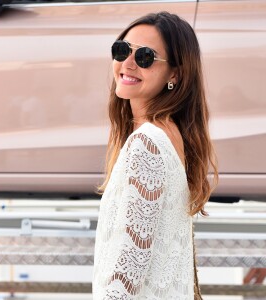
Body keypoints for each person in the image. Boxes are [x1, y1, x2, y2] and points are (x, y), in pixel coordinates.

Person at [92, 11, 218, 300]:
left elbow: (128, 270)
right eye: (121, 50)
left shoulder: (146, 144)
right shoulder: (169, 134)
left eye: (145, 57)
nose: (127, 64)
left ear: (175, 73)